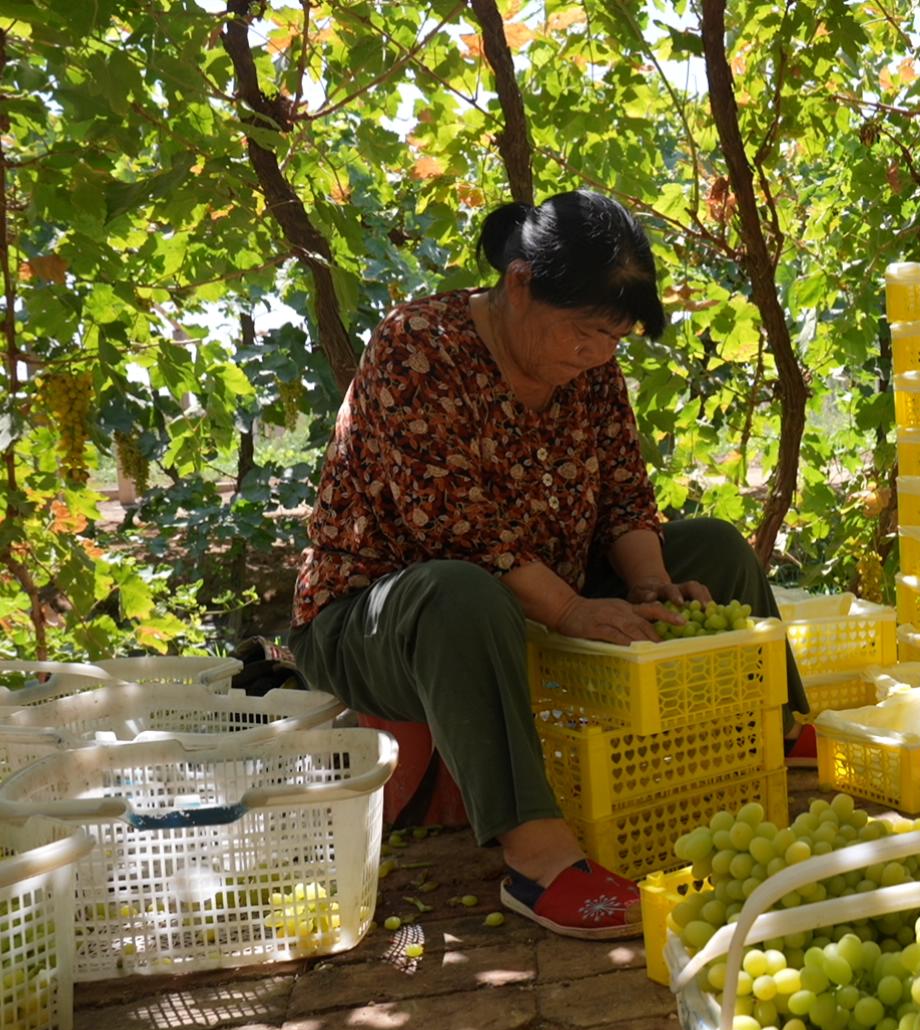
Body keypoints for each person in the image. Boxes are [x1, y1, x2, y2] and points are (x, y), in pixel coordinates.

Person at [290, 191, 808, 939]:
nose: (597, 354)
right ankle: (538, 860)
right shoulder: (418, 346)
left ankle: (776, 731)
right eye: (584, 333)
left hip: (532, 594)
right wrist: (570, 611)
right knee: (458, 593)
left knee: (714, 550)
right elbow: (457, 532)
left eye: (612, 339)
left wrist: (651, 586)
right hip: (382, 622)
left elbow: (626, 497)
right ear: (521, 283)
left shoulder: (588, 367)